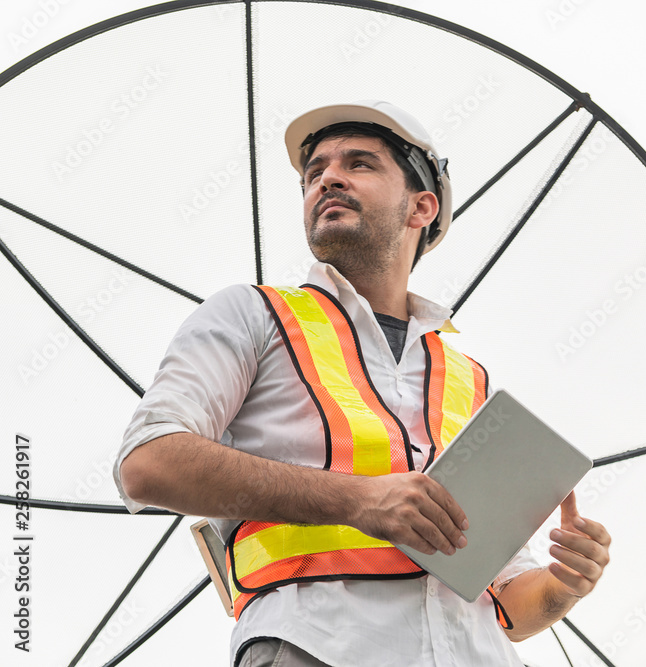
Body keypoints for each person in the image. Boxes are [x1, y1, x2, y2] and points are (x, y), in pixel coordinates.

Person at [114, 100, 610, 667]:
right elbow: (148, 463)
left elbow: (509, 604)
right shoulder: (251, 314)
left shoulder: (468, 381)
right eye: (314, 172)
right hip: (314, 645)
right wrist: (361, 500)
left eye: (359, 163)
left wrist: (563, 585)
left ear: (421, 207)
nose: (328, 178)